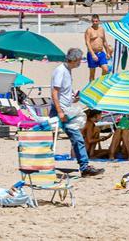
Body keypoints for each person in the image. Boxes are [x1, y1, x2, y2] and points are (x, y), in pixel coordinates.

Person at [51, 48, 103, 177]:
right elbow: (54, 92)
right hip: (61, 110)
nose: (80, 62)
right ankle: (84, 167)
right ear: (74, 59)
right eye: (80, 60)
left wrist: (73, 98)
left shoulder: (67, 70)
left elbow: (63, 91)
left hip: (66, 108)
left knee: (75, 138)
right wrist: (60, 111)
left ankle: (84, 167)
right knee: (75, 138)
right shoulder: (60, 70)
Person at [84, 14, 112, 81]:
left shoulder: (102, 29)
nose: (95, 23)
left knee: (106, 69)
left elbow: (104, 41)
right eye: (93, 21)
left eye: (96, 21)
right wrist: (93, 54)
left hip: (101, 53)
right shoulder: (89, 30)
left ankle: (100, 82)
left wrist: (108, 52)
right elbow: (87, 43)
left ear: (99, 21)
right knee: (92, 73)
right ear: (91, 21)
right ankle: (91, 87)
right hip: (92, 53)